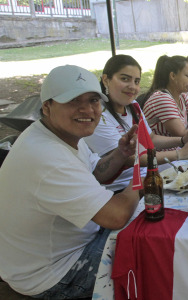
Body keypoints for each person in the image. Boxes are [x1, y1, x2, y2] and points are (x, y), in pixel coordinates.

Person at [0, 65, 141, 298]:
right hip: (53, 275)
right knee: (149, 249)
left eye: (94, 100)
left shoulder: (57, 133)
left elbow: (95, 172)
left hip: (54, 255)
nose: (87, 109)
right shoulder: (46, 155)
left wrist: (121, 154)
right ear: (47, 107)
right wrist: (141, 183)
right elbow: (115, 216)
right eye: (74, 101)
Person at [84, 55, 188, 192]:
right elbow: (129, 158)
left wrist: (182, 140)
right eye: (124, 79)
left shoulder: (133, 105)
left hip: (147, 176)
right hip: (121, 188)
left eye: (136, 81)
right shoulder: (99, 115)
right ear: (106, 80)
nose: (132, 87)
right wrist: (179, 154)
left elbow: (151, 139)